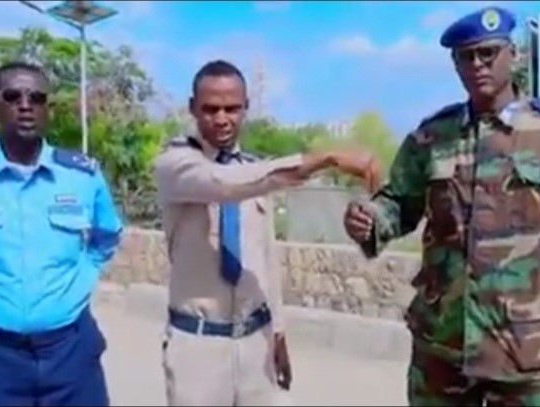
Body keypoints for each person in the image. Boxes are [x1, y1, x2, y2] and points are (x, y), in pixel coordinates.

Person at [342, 7, 540, 407]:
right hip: (443, 346)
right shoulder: (432, 137)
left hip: (525, 351)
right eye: (465, 57)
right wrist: (370, 220)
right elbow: (398, 203)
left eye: (488, 53)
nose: (477, 65)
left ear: (512, 55)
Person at [154, 60, 379, 406]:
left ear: (245, 107)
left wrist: (278, 332)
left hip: (255, 343)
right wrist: (325, 158)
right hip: (198, 347)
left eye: (232, 108)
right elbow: (223, 183)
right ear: (193, 108)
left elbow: (266, 258)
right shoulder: (176, 164)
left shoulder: (253, 170)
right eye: (210, 109)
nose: (222, 119)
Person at [0, 62, 123, 406]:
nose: (26, 105)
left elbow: (106, 236)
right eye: (13, 96)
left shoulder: (81, 176)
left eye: (36, 98)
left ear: (47, 108)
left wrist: (82, 279)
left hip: (70, 353)